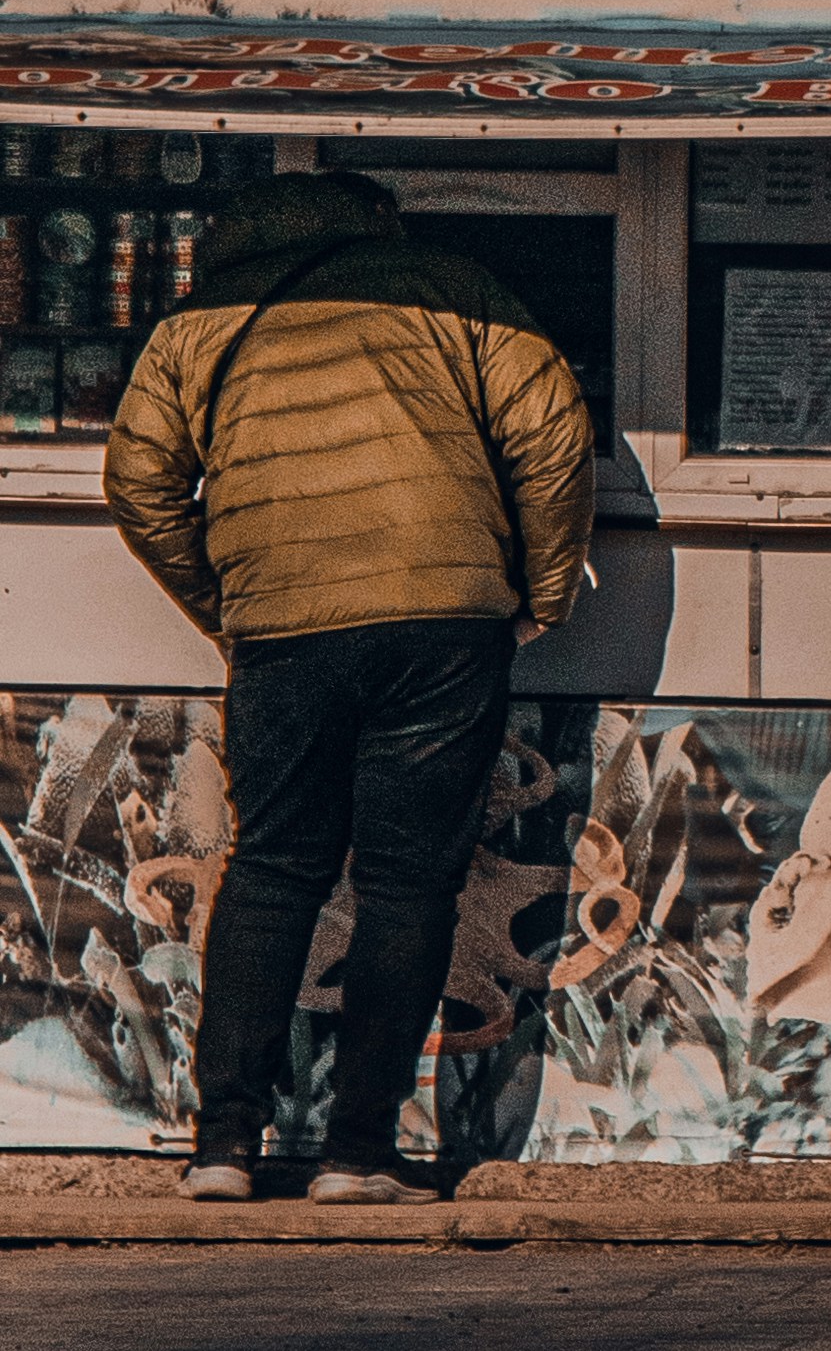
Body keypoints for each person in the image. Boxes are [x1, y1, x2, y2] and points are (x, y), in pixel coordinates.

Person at [104, 170, 594, 1205]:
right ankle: (359, 1155)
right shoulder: (450, 288)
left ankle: (223, 1147)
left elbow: (138, 479)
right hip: (441, 616)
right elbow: (551, 428)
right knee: (407, 883)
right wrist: (542, 589)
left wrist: (224, 596)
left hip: (282, 625)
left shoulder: (201, 321)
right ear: (375, 218)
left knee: (273, 871)